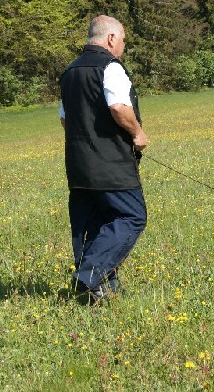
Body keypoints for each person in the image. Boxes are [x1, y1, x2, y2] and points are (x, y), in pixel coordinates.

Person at [59, 15, 149, 304]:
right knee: (131, 216)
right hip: (111, 165)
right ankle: (88, 276)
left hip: (78, 166)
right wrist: (137, 133)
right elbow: (119, 107)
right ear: (111, 39)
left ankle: (102, 290)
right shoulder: (110, 67)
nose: (123, 46)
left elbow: (64, 119)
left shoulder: (70, 72)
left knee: (95, 224)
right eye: (123, 40)